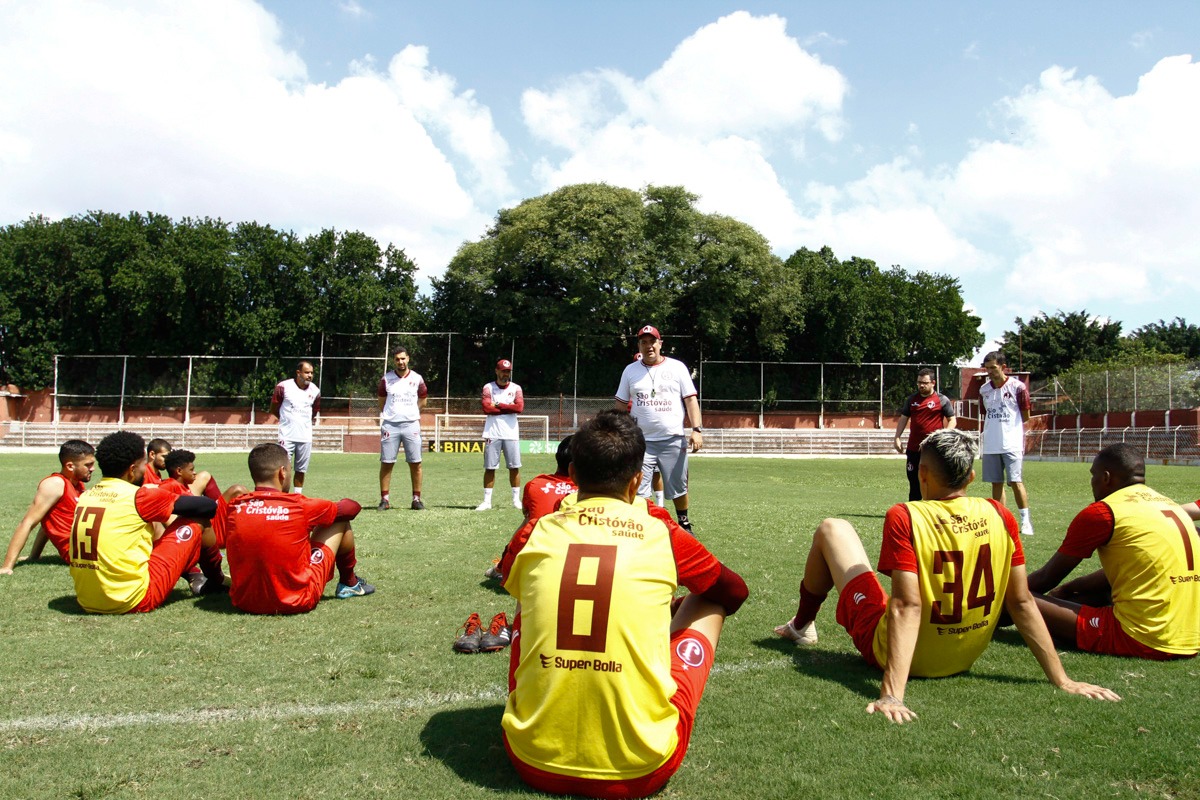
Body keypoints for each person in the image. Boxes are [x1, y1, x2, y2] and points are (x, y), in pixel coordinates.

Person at [772, 428, 1119, 724]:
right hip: (963, 656)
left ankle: (801, 626)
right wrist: (1063, 680)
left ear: (922, 473)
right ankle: (800, 627)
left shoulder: (905, 515)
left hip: (902, 655)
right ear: (970, 477)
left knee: (833, 528)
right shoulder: (1000, 514)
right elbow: (1022, 600)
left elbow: (907, 606)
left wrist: (892, 696)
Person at [500, 410, 748, 797]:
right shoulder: (659, 527)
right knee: (709, 603)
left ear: (574, 476)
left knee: (526, 596)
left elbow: (508, 574)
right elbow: (734, 592)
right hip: (639, 770)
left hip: (530, 759)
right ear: (637, 481)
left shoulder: (538, 528)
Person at [1026, 443, 1199, 660]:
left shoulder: (1104, 512)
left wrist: (1002, 604)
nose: (1092, 482)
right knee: (1087, 594)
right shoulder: (1170, 505)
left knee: (1015, 593)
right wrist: (1069, 589)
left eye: (1093, 475)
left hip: (1145, 638)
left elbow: (1045, 579)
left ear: (1106, 477)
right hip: (1190, 638)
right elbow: (1136, 570)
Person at [68, 431, 227, 614]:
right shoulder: (139, 496)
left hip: (86, 599)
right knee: (197, 521)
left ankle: (196, 574)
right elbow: (206, 507)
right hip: (132, 600)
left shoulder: (86, 496)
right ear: (132, 469)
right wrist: (164, 496)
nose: (146, 469)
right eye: (144, 464)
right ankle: (217, 581)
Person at [225, 443, 374, 614]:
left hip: (245, 602)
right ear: (282, 472)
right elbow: (351, 508)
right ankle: (350, 583)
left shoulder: (235, 506)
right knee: (338, 520)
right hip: (297, 600)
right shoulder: (299, 505)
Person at [615, 325, 703, 532]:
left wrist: (696, 429)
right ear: (639, 345)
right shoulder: (630, 370)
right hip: (641, 441)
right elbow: (620, 405)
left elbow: (690, 400)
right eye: (643, 342)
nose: (648, 346)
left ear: (660, 343)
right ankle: (645, 525)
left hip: (672, 438)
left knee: (678, 486)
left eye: (652, 341)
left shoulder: (677, 367)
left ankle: (684, 522)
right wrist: (619, 433)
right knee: (639, 488)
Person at [483, 435, 576, 581]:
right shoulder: (590, 490)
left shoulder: (535, 484)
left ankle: (501, 567)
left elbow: (528, 514)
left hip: (532, 562)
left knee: (530, 520)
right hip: (577, 560)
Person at [1, 440, 95, 573]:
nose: (93, 468)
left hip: (91, 546)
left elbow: (48, 522)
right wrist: (7, 566)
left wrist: (34, 556)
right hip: (83, 554)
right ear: (70, 466)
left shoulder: (78, 484)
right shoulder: (55, 484)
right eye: (88, 465)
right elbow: (27, 523)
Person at [979, 351, 1034, 536]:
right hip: (991, 444)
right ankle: (1000, 520)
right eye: (987, 368)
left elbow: (1026, 415)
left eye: (993, 368)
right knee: (996, 483)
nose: (989, 372)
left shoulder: (1017, 387)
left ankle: (1025, 521)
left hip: (1012, 443)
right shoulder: (984, 390)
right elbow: (985, 414)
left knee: (1015, 481)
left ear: (1003, 367)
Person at [893, 368, 956, 502]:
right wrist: (897, 437)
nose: (921, 385)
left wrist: (944, 435)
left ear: (933, 383)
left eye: (925, 383)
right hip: (914, 449)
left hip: (934, 450)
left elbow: (952, 420)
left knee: (934, 481)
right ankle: (915, 512)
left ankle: (935, 511)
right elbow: (903, 418)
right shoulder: (911, 400)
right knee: (914, 482)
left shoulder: (942, 400)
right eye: (919, 382)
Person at [378, 345, 427, 511]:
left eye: (403, 358)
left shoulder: (417, 378)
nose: (400, 361)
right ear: (394, 361)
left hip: (411, 424)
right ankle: (385, 500)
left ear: (408, 359)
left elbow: (423, 400)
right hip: (390, 425)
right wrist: (392, 415)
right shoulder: (386, 379)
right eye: (397, 359)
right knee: (387, 463)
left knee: (415, 463)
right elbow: (381, 401)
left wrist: (411, 414)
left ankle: (416, 499)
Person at [476, 358, 525, 511]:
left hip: (511, 433)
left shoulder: (516, 388)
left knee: (514, 467)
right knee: (490, 467)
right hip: (492, 432)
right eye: (503, 371)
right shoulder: (488, 387)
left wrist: (497, 404)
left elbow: (519, 408)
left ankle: (516, 500)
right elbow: (486, 409)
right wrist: (508, 407)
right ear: (496, 371)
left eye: (508, 371)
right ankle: (487, 501)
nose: (506, 374)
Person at [268, 360, 321, 494]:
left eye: (311, 373)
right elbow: (274, 408)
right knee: (283, 468)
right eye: (307, 372)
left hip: (305, 437)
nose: (310, 375)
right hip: (287, 436)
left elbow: (313, 412)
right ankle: (282, 495)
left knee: (301, 469)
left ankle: (297, 495)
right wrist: (286, 420)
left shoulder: (315, 391)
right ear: (298, 373)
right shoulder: (283, 387)